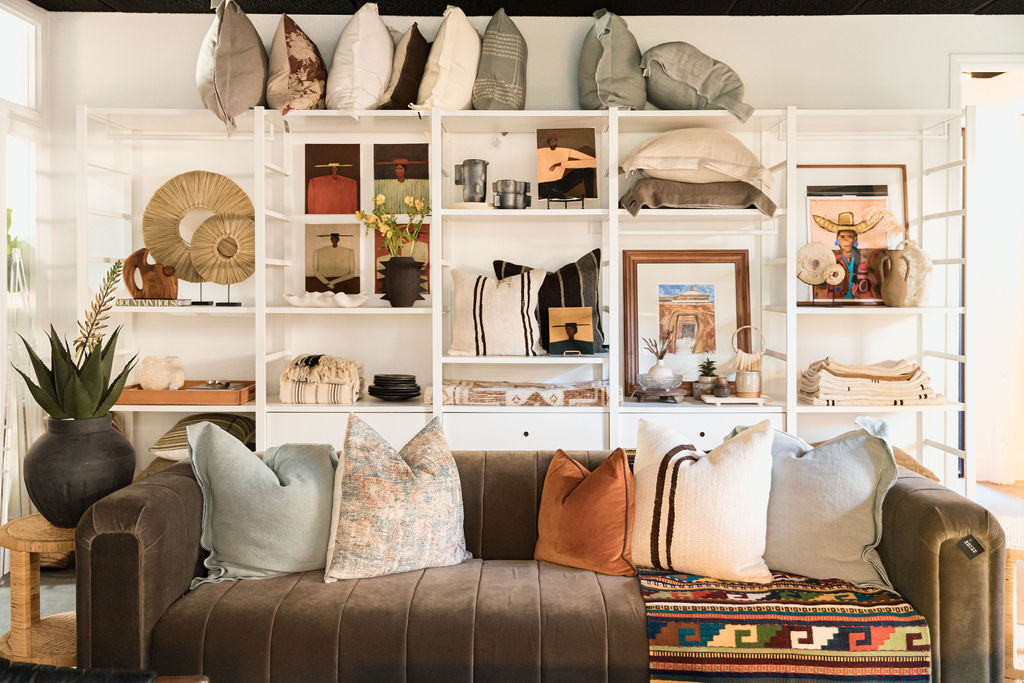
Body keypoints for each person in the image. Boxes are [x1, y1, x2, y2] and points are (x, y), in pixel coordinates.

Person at [812, 210, 883, 299]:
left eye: (850, 237)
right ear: (837, 238)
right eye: (843, 237)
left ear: (855, 239)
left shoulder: (865, 258)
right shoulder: (830, 258)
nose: (846, 241)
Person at [536, 133, 597, 199]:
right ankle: (555, 196)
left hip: (557, 185)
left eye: (555, 139)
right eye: (550, 139)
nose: (552, 141)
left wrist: (563, 164)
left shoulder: (564, 151)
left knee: (587, 170)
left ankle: (591, 199)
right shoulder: (539, 152)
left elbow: (595, 162)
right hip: (542, 187)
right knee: (543, 187)